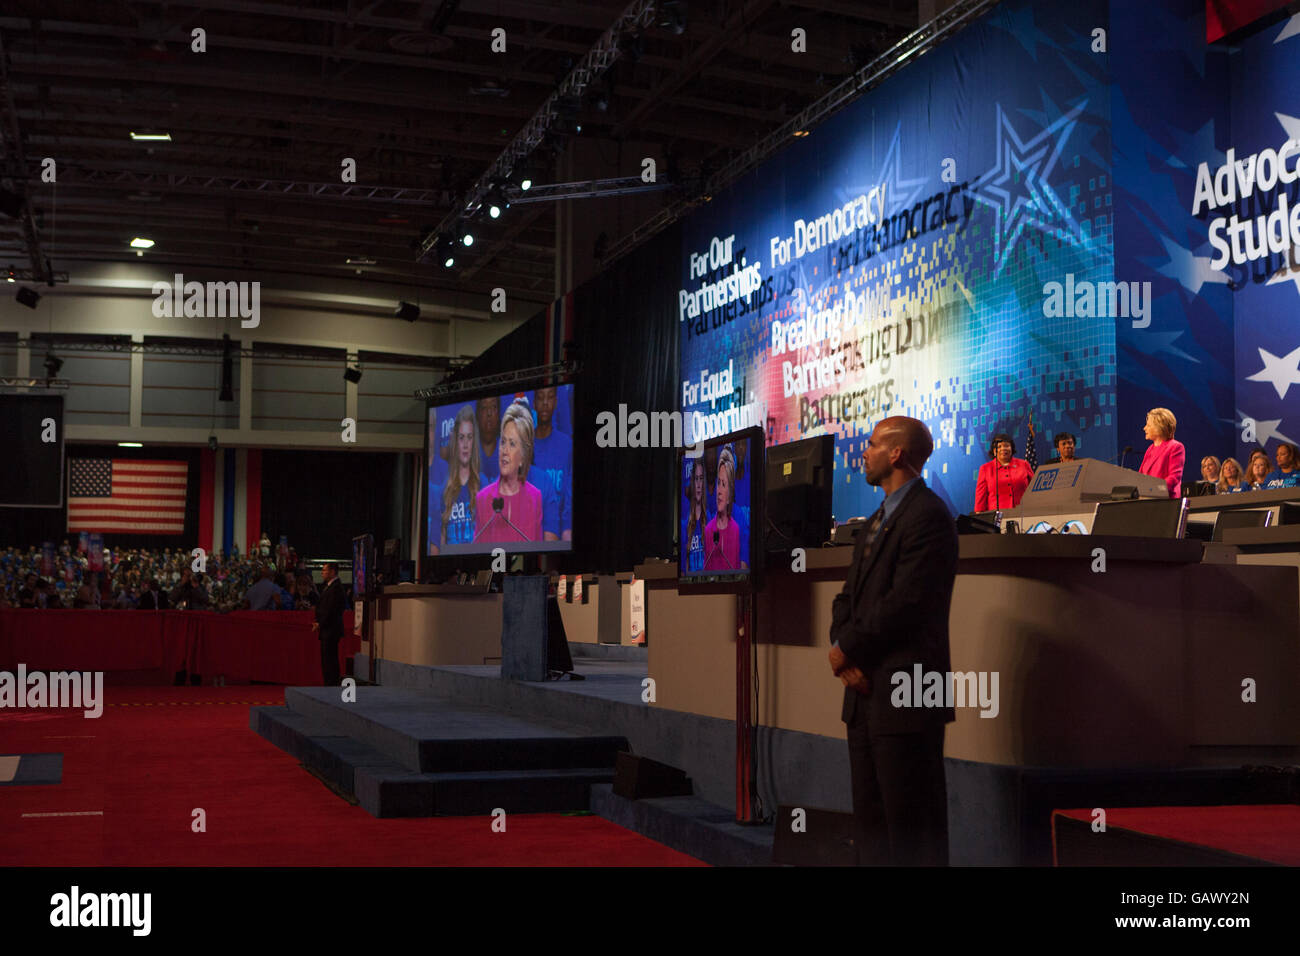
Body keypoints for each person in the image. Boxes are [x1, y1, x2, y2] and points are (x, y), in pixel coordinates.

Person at [829, 416, 957, 866]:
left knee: (912, 833)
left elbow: (907, 604)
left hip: (907, 697)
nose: (864, 451)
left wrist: (847, 649)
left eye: (872, 444)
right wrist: (843, 654)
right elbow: (846, 599)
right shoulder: (874, 521)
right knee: (871, 830)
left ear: (896, 454)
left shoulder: (929, 516)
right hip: (864, 698)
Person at [474, 399, 544, 543]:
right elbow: (477, 552)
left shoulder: (535, 498)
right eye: (503, 442)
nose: (504, 451)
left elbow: (537, 551)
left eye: (512, 444)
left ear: (523, 457)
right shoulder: (483, 498)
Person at [434, 405, 484, 554]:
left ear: (474, 441)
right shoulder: (444, 489)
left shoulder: (484, 485)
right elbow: (440, 539)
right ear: (455, 441)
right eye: (461, 437)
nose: (465, 445)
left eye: (469, 437)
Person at [531, 386, 572, 542]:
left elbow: (569, 494)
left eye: (550, 398)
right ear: (534, 404)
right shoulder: (525, 445)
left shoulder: (566, 445)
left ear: (555, 402)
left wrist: (566, 529)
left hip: (558, 534)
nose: (545, 403)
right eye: (541, 398)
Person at [703, 444, 746, 569]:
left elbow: (743, 568)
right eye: (718, 483)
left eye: (724, 484)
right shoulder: (708, 529)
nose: (719, 491)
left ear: (731, 492)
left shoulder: (738, 526)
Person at [974, 432, 1033, 511]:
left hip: (1023, 513)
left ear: (1012, 448)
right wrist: (979, 516)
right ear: (994, 451)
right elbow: (980, 498)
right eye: (999, 446)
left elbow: (1034, 489)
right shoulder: (985, 469)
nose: (1003, 449)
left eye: (1006, 446)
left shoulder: (1024, 464)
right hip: (997, 518)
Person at [1138, 407, 1184, 498]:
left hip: (1166, 500)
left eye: (1148, 425)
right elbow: (1141, 476)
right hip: (1147, 499)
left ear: (1159, 427)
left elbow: (1174, 477)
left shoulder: (1175, 447)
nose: (1144, 428)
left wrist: (1152, 490)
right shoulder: (1150, 449)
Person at [312, 562, 346, 686]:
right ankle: (329, 684)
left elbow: (330, 609)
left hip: (331, 629)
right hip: (327, 629)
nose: (322, 573)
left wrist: (320, 623)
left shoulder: (336, 588)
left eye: (325, 570)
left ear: (332, 572)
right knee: (327, 660)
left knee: (330, 660)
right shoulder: (329, 587)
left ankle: (331, 684)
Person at [683, 457, 709, 573]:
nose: (698, 484)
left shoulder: (711, 520)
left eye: (701, 479)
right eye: (696, 479)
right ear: (692, 482)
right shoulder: (685, 524)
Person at [476, 396, 502, 484]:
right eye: (484, 407)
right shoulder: (469, 452)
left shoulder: (507, 450)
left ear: (498, 414)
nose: (489, 413)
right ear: (478, 414)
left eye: (494, 406)